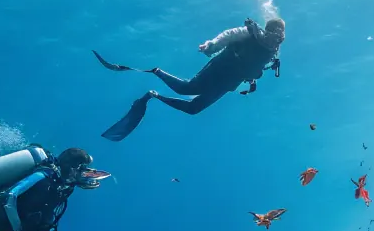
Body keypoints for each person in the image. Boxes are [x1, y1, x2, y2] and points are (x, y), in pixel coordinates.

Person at [95, 17, 285, 141]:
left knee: (193, 109)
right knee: (186, 89)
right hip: (220, 69)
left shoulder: (273, 51)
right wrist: (211, 46)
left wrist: (252, 81)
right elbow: (228, 36)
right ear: (268, 28)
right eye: (275, 31)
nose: (277, 36)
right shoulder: (250, 32)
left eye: (280, 33)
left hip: (228, 83)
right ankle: (156, 71)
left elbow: (255, 67)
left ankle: (153, 95)